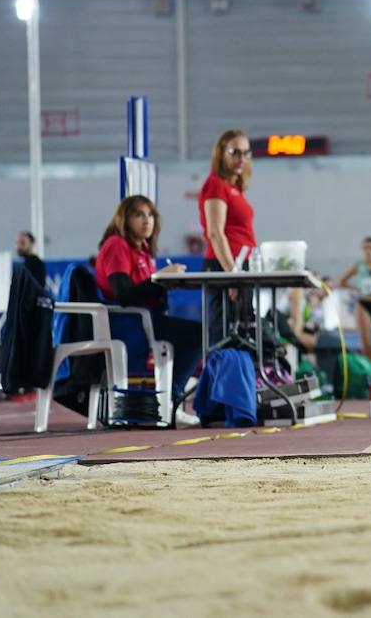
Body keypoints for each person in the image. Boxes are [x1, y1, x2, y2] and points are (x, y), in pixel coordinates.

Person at [95, 195, 203, 423]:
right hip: (127, 322)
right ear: (125, 219)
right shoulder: (117, 245)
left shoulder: (143, 249)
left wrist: (164, 283)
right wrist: (159, 279)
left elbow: (145, 290)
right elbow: (123, 294)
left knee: (197, 334)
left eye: (150, 215)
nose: (147, 220)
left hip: (147, 318)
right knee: (200, 335)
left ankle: (170, 398)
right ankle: (172, 398)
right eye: (139, 214)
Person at [200, 130, 258, 343]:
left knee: (242, 333)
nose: (241, 159)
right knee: (224, 335)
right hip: (224, 266)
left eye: (246, 153)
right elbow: (215, 233)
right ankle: (221, 376)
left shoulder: (233, 187)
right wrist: (232, 275)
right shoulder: (215, 184)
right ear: (221, 154)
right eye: (235, 152)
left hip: (239, 266)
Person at [336, 237, 371, 367]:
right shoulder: (358, 265)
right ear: (362, 250)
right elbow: (341, 281)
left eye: (370, 248)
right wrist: (355, 288)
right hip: (363, 304)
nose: (368, 251)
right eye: (365, 248)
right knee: (367, 346)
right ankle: (369, 376)